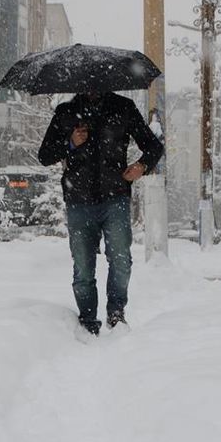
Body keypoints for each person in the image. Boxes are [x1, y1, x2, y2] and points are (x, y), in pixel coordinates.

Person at [38, 91, 164, 336]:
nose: (93, 86)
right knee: (83, 266)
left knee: (121, 261)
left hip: (114, 197)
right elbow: (45, 155)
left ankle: (116, 314)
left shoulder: (123, 108)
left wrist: (142, 166)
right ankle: (87, 321)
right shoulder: (66, 112)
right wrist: (71, 143)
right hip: (78, 201)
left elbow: (153, 146)